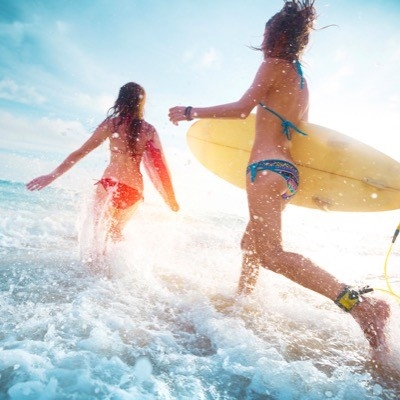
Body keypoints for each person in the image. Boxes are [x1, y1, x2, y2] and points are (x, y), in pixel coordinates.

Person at [169, 1, 390, 357]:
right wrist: (317, 191)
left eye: (266, 35)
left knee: (271, 254)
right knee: (250, 244)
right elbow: (304, 140)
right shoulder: (301, 81)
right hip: (287, 174)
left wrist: (190, 111)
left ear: (277, 36)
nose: (263, 42)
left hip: (265, 169)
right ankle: (243, 302)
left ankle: (361, 307)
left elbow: (241, 109)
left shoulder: (272, 65)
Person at [27, 82, 179, 257]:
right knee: (116, 234)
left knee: (98, 234)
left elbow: (80, 153)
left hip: (110, 184)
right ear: (141, 103)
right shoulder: (149, 130)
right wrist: (171, 198)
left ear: (120, 100)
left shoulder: (112, 124)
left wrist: (52, 176)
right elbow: (160, 166)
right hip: (134, 191)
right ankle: (123, 267)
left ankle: (96, 271)